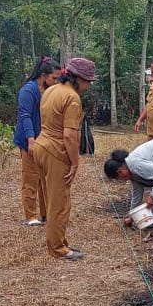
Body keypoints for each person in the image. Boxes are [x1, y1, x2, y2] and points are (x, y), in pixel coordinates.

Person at [33, 56, 97, 261]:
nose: (88, 86)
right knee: (59, 203)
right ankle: (58, 248)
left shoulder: (50, 90)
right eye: (87, 81)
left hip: (41, 146)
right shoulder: (72, 98)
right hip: (55, 152)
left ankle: (59, 241)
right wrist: (75, 162)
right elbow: (69, 136)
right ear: (77, 79)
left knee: (51, 199)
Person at [14, 56, 59, 226]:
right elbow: (25, 116)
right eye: (54, 78)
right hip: (29, 139)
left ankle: (46, 213)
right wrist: (31, 140)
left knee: (44, 178)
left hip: (43, 140)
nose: (56, 82)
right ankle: (31, 216)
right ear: (43, 75)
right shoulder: (28, 90)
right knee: (31, 178)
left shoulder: (49, 91)